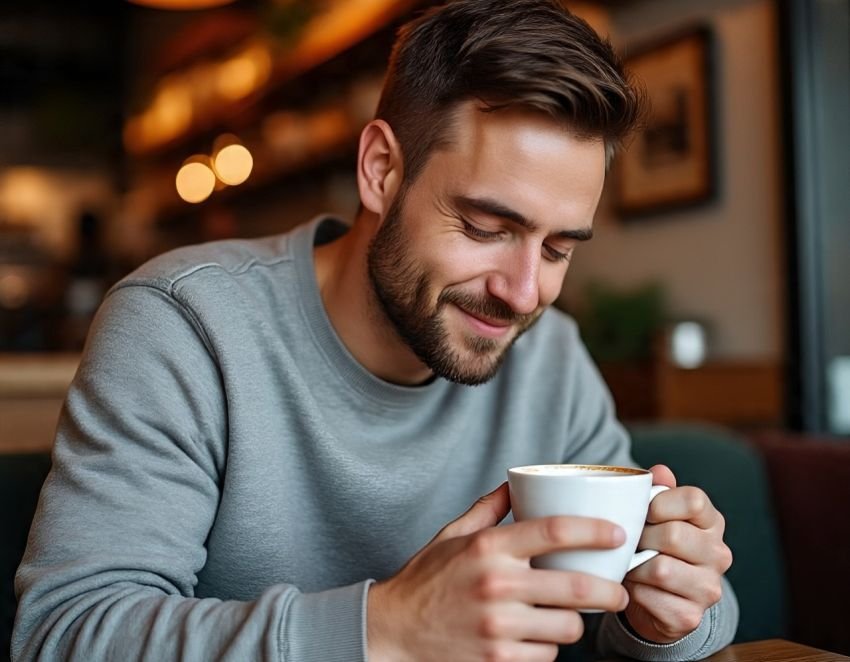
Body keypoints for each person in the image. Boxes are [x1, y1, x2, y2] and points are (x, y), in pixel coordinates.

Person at [13, 1, 738, 660]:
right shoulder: (185, 325)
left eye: (557, 250)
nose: (523, 293)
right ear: (381, 170)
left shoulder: (547, 357)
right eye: (487, 227)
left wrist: (666, 616)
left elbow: (650, 602)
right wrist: (386, 627)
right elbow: (67, 632)